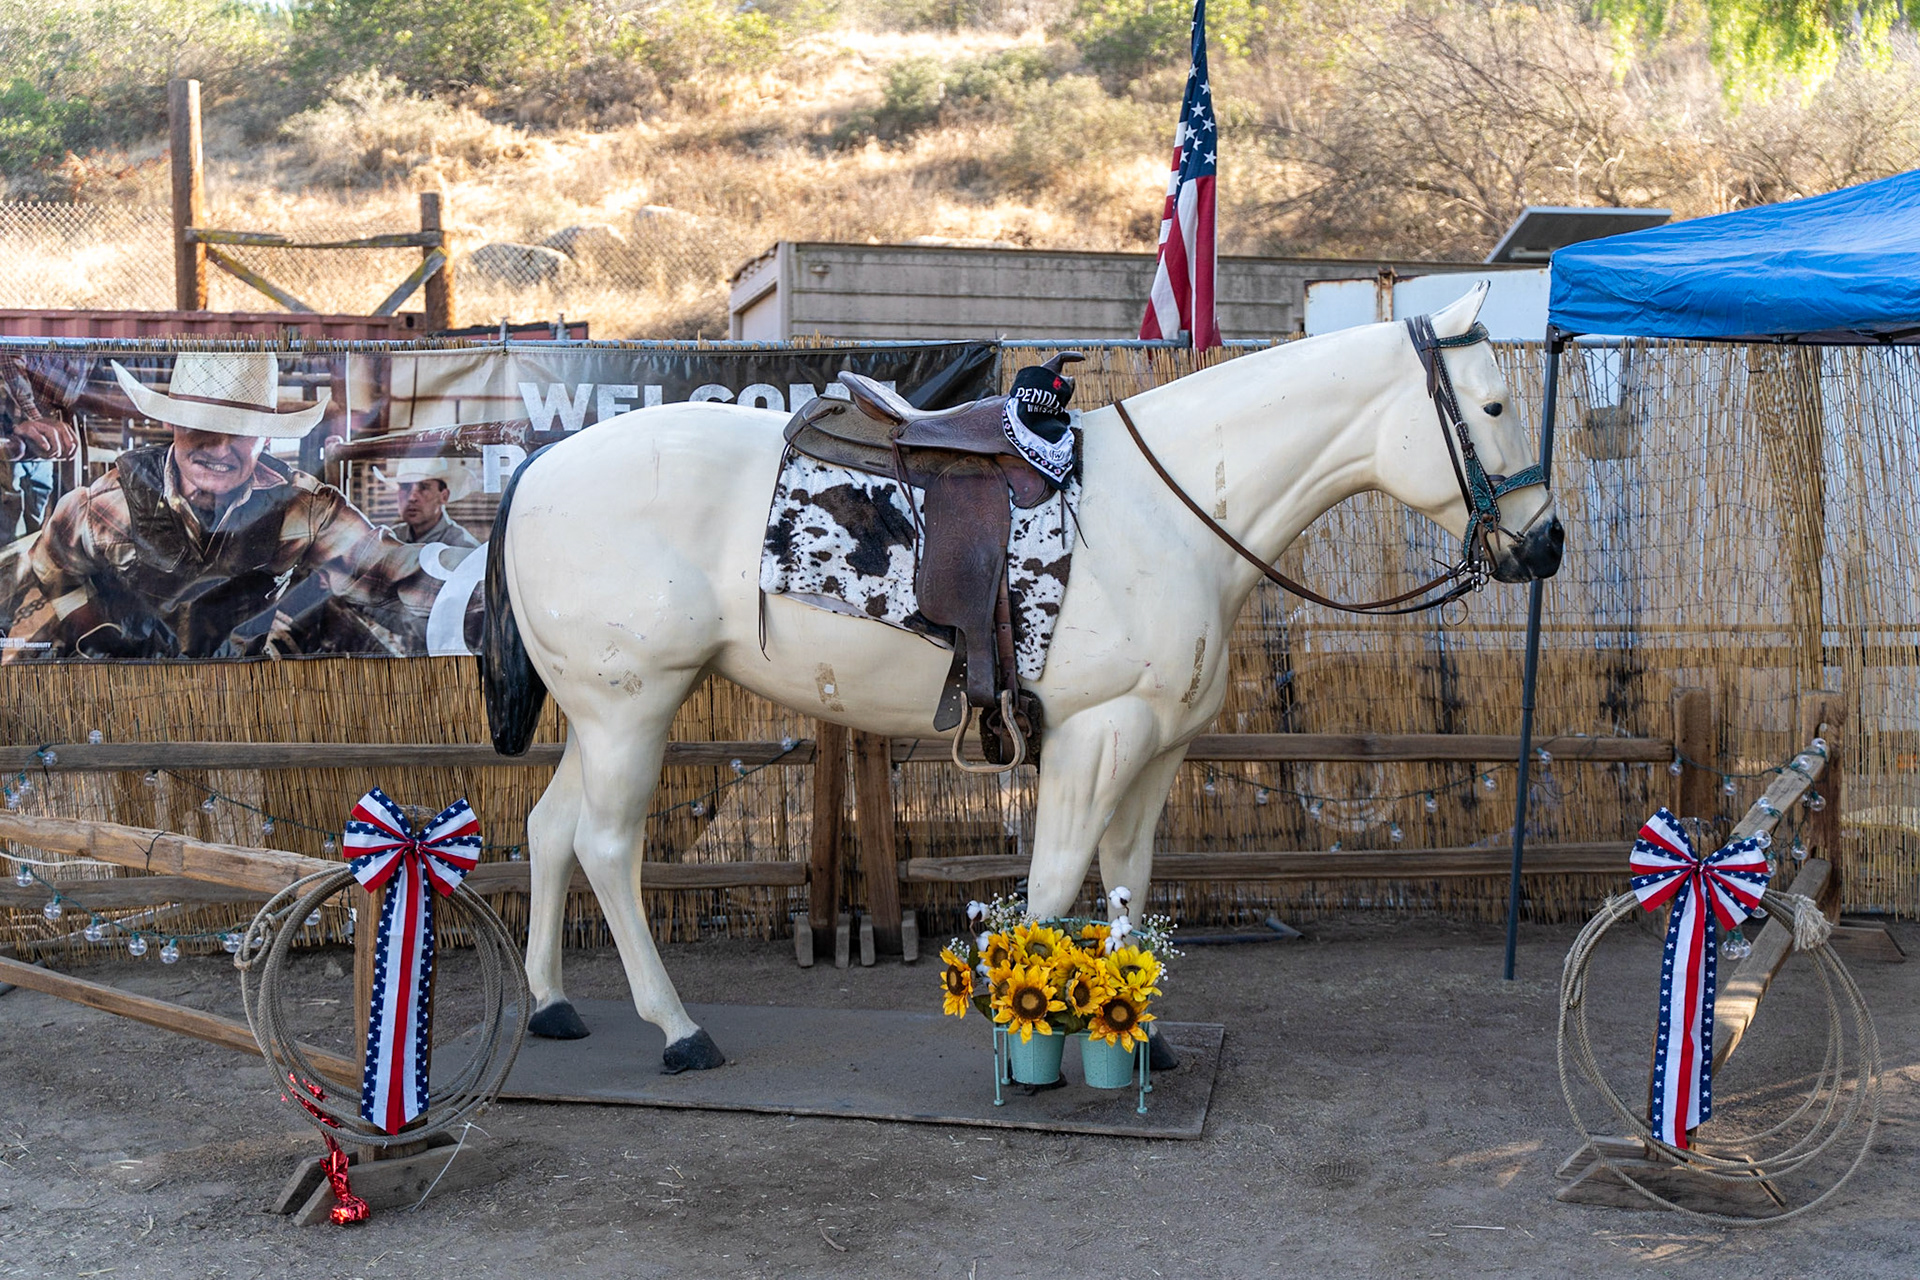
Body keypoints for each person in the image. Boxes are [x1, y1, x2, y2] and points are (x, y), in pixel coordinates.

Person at [3, 352, 430, 660]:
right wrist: (96, 633)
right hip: (128, 682)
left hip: (239, 688)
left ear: (266, 436)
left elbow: (386, 570)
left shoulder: (305, 506)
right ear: (172, 422)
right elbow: (50, 564)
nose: (220, 449)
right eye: (202, 427)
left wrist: (460, 576)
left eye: (241, 431)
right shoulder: (104, 505)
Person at [373, 458, 480, 548]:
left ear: (444, 496)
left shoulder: (463, 547)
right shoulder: (391, 538)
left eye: (424, 487)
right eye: (405, 486)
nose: (411, 497)